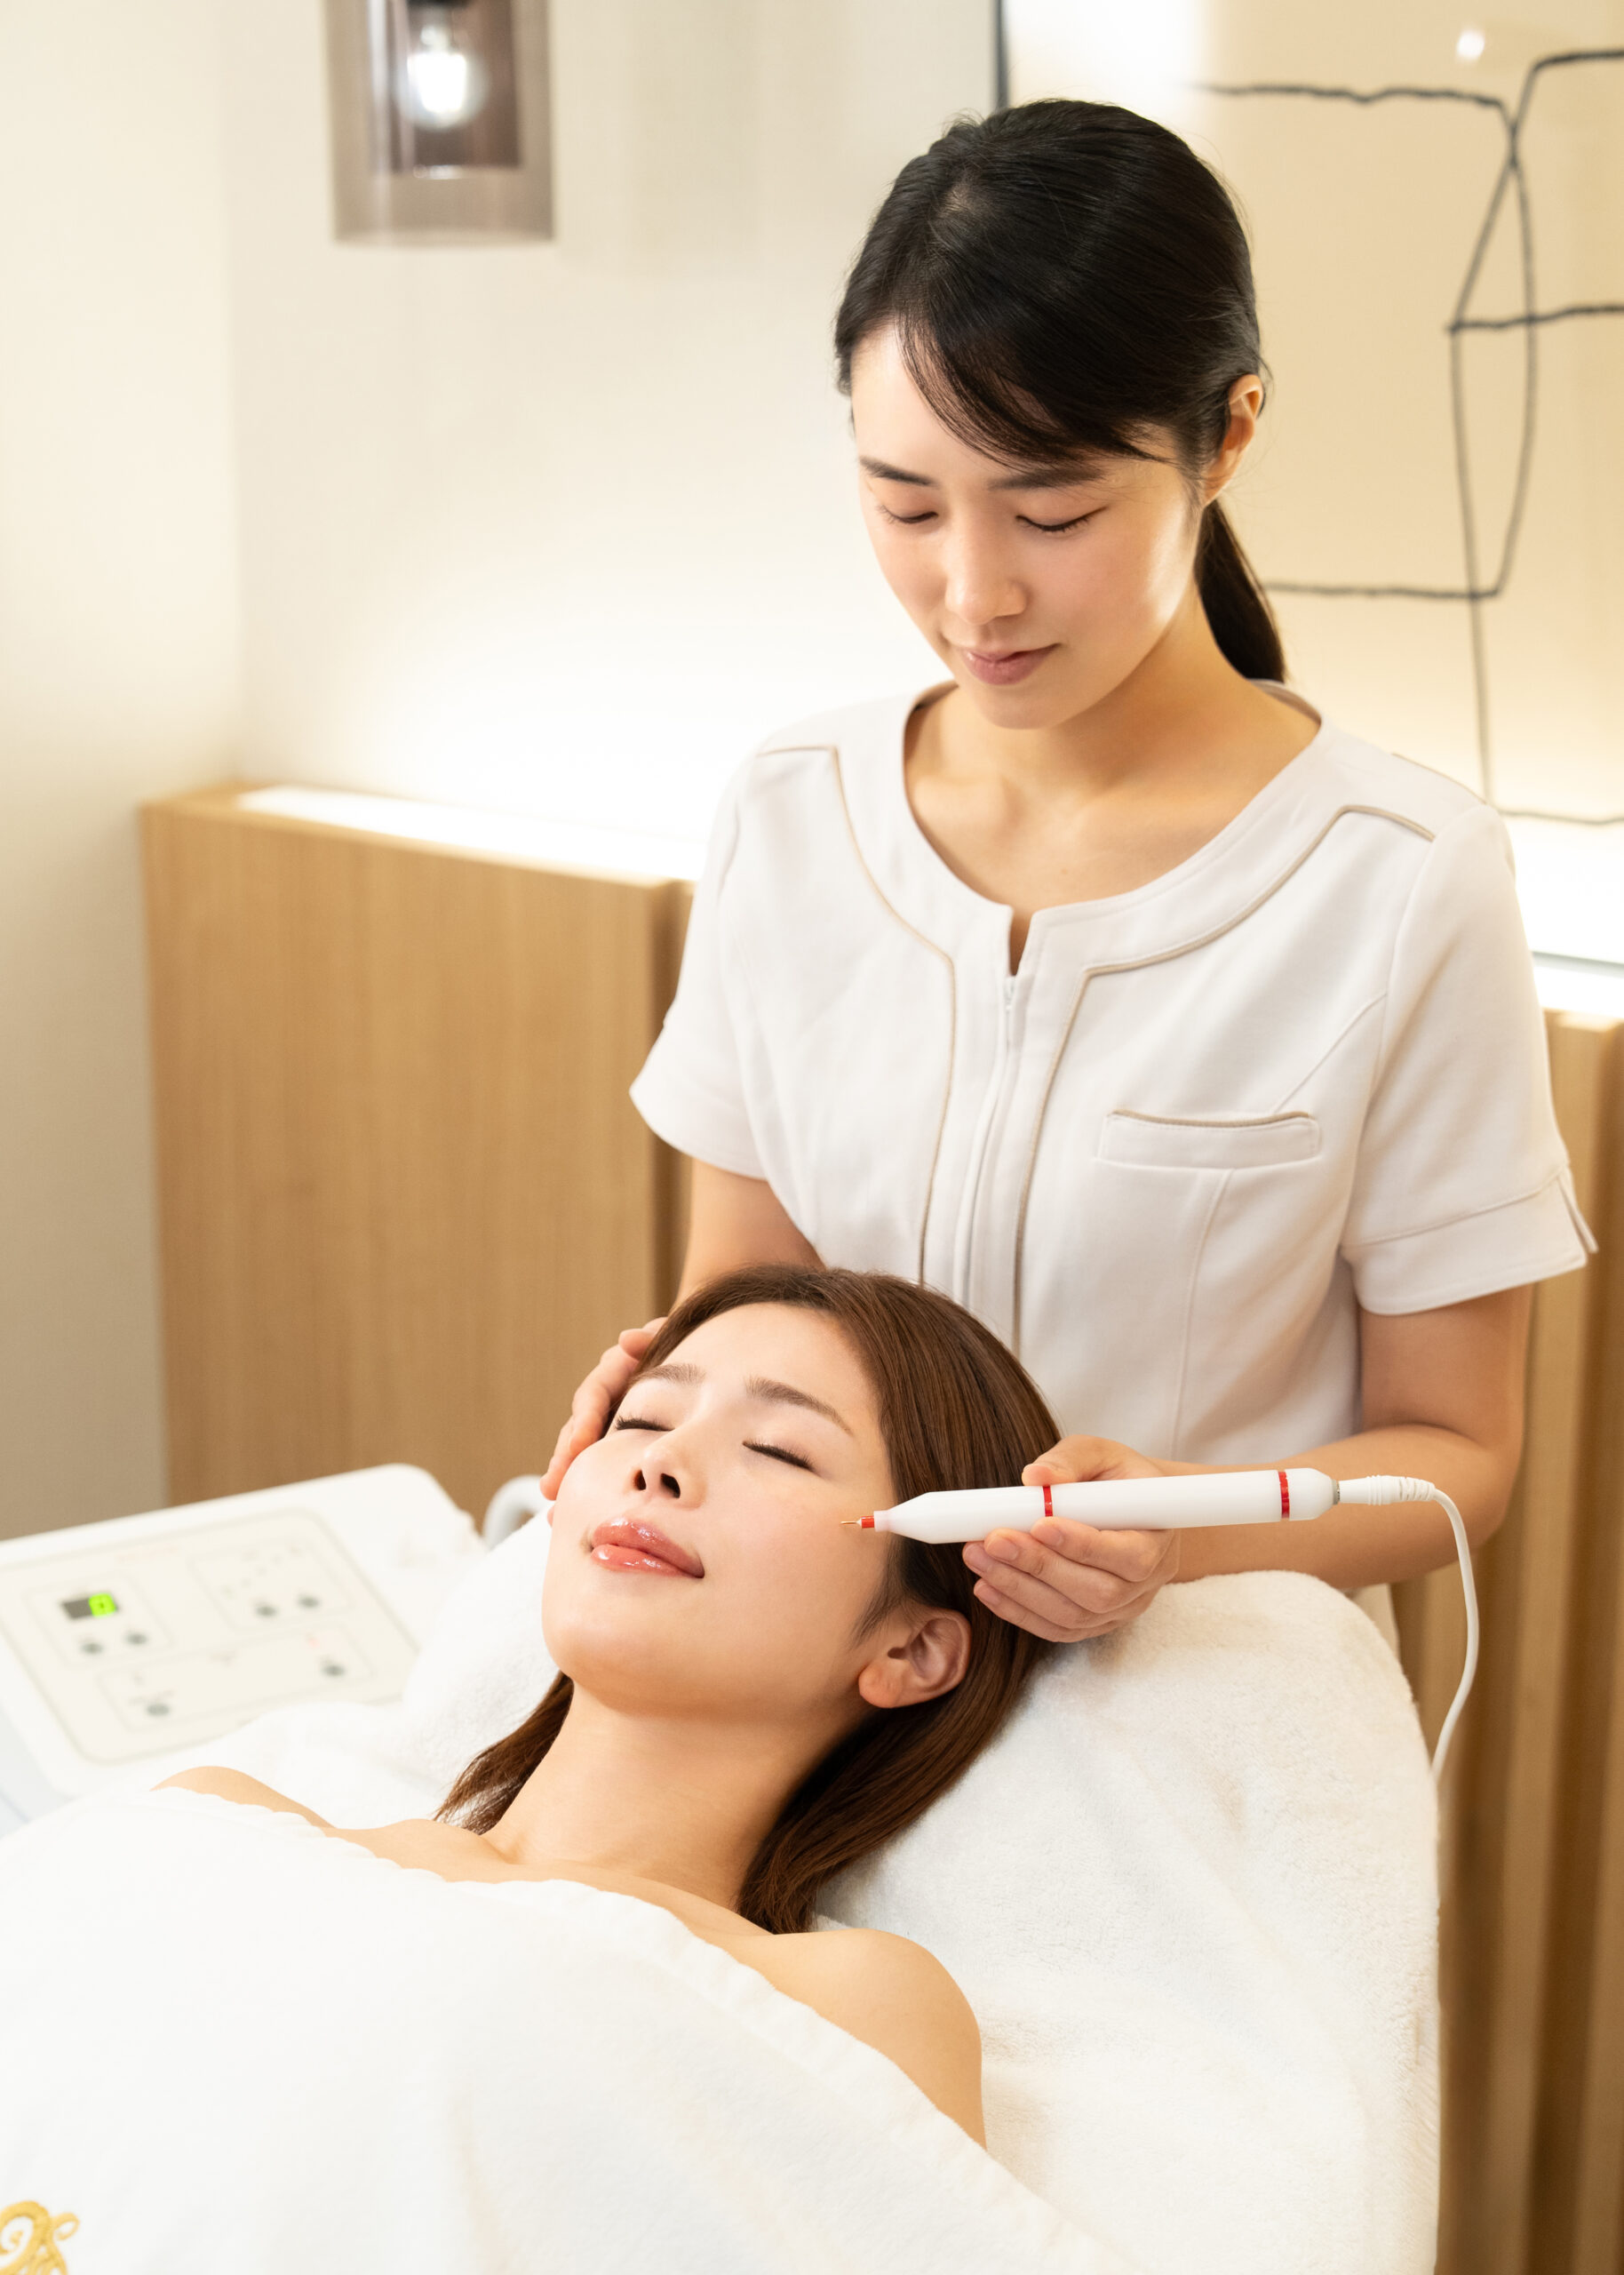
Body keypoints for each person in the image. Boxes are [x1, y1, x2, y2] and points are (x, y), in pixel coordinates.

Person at [543, 98, 1588, 1652]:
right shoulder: (792, 812)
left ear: (1227, 435)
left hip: (1194, 1690)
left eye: (1052, 510)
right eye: (904, 504)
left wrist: (1178, 1535)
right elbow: (750, 1302)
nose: (973, 592)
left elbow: (1455, 1458)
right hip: (831, 1661)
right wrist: (671, 1400)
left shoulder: (1401, 880)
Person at [1, 1266, 1062, 2230]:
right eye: (642, 1418)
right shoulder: (222, 1821)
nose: (660, 1464)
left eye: (778, 1449)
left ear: (912, 1648)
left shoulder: (845, 1999)